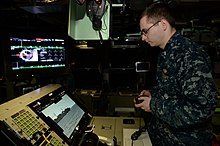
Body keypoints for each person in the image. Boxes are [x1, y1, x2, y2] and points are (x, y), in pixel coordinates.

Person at [135, 2, 218, 146]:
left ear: (162, 24)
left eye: (145, 31)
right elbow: (172, 91)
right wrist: (152, 94)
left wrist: (153, 105)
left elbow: (201, 109)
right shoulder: (166, 53)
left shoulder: (190, 55)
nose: (143, 37)